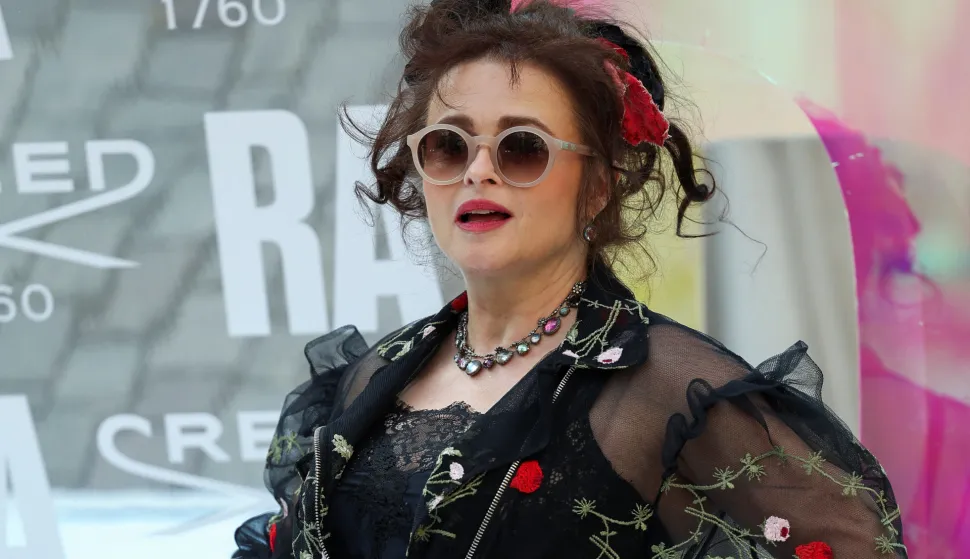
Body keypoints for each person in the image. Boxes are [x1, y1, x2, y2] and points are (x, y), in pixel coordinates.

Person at [232, 0, 908, 557]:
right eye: (448, 145)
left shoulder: (666, 390)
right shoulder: (372, 377)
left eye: (522, 147)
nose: (478, 171)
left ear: (597, 187)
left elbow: (856, 544)